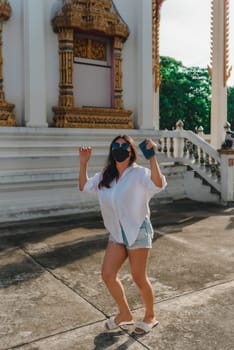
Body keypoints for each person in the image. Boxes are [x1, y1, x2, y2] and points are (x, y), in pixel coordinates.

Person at [78, 135, 167, 335]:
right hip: (117, 233)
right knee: (108, 275)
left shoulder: (139, 173)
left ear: (131, 151)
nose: (120, 148)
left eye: (124, 145)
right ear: (111, 151)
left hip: (138, 230)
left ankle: (150, 316)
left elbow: (159, 184)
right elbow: (84, 186)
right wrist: (83, 163)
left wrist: (152, 157)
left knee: (138, 277)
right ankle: (125, 314)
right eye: (116, 145)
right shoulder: (105, 176)